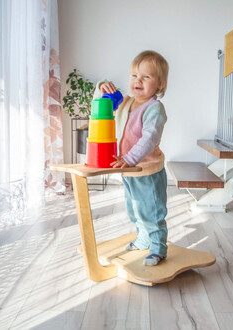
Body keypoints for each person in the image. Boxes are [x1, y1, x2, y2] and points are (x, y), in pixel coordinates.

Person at [94, 50, 169, 266]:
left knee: (151, 211)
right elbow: (101, 104)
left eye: (146, 77)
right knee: (134, 209)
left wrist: (130, 158)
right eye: (135, 75)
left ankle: (158, 248)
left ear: (160, 84)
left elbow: (149, 139)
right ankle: (143, 239)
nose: (138, 80)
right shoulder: (125, 102)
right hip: (127, 169)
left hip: (147, 170)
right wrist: (102, 86)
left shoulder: (154, 108)